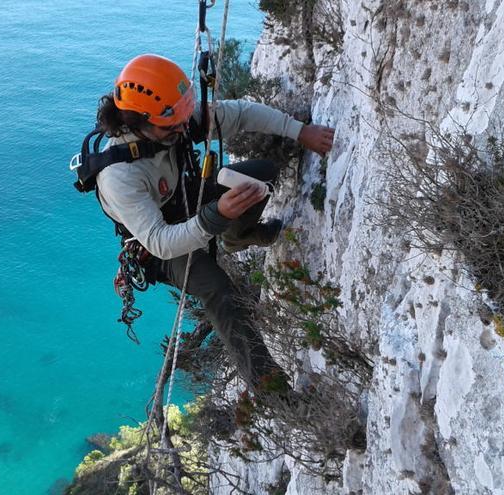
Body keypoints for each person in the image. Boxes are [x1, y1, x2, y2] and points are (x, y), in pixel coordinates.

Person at [92, 53, 334, 393]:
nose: (180, 129)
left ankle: (239, 236)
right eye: (170, 125)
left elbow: (241, 113)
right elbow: (160, 241)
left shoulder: (172, 123)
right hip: (158, 245)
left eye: (181, 120)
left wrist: (300, 131)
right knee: (219, 291)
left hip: (187, 198)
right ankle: (273, 392)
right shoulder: (120, 175)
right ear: (136, 122)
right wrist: (216, 215)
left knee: (261, 176)